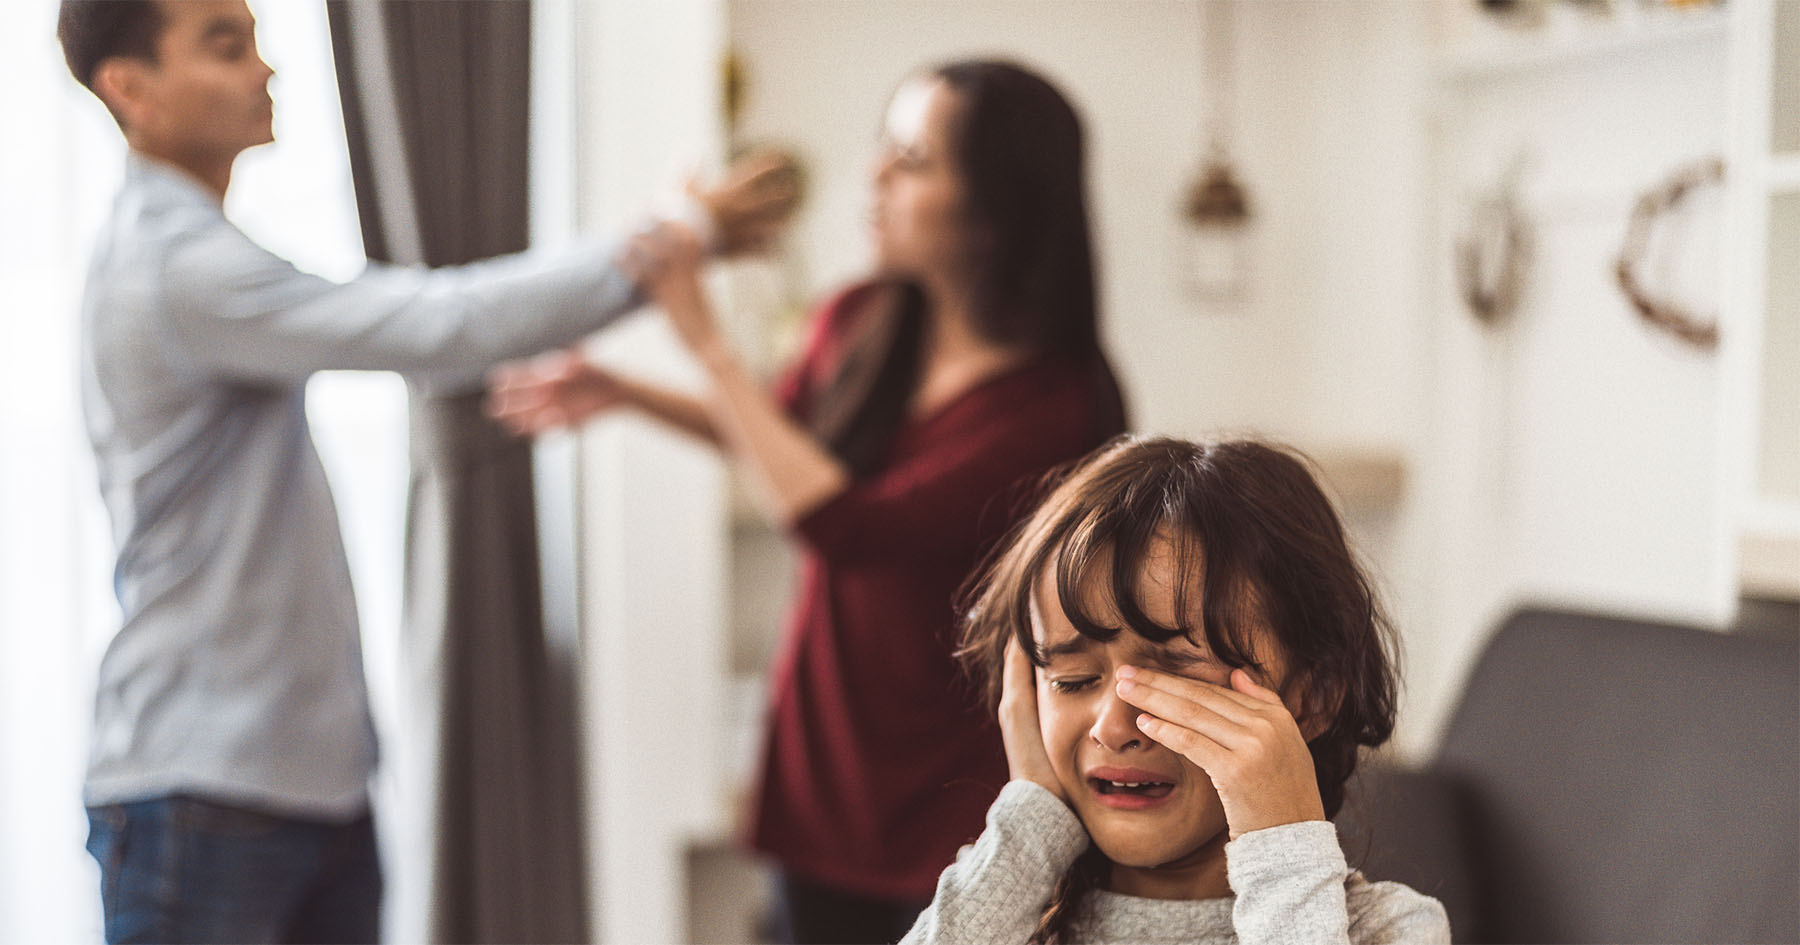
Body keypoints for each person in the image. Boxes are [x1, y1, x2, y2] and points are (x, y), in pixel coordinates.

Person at [56, 1, 794, 941]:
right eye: (224, 45)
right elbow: (440, 326)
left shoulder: (200, 252)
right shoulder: (172, 267)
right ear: (130, 88)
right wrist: (670, 236)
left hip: (300, 787)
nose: (266, 68)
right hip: (203, 799)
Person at [487, 60, 1128, 943]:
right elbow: (788, 442)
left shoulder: (1051, 408)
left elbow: (846, 523)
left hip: (954, 794)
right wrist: (626, 390)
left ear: (994, 204)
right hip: (823, 766)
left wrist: (703, 340)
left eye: (911, 158)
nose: (873, 177)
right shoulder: (861, 316)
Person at [899, 436, 1451, 944]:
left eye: (1172, 679)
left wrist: (1285, 852)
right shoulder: (1004, 914)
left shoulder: (1388, 929)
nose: (1112, 727)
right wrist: (1029, 825)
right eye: (1073, 681)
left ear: (1313, 697)